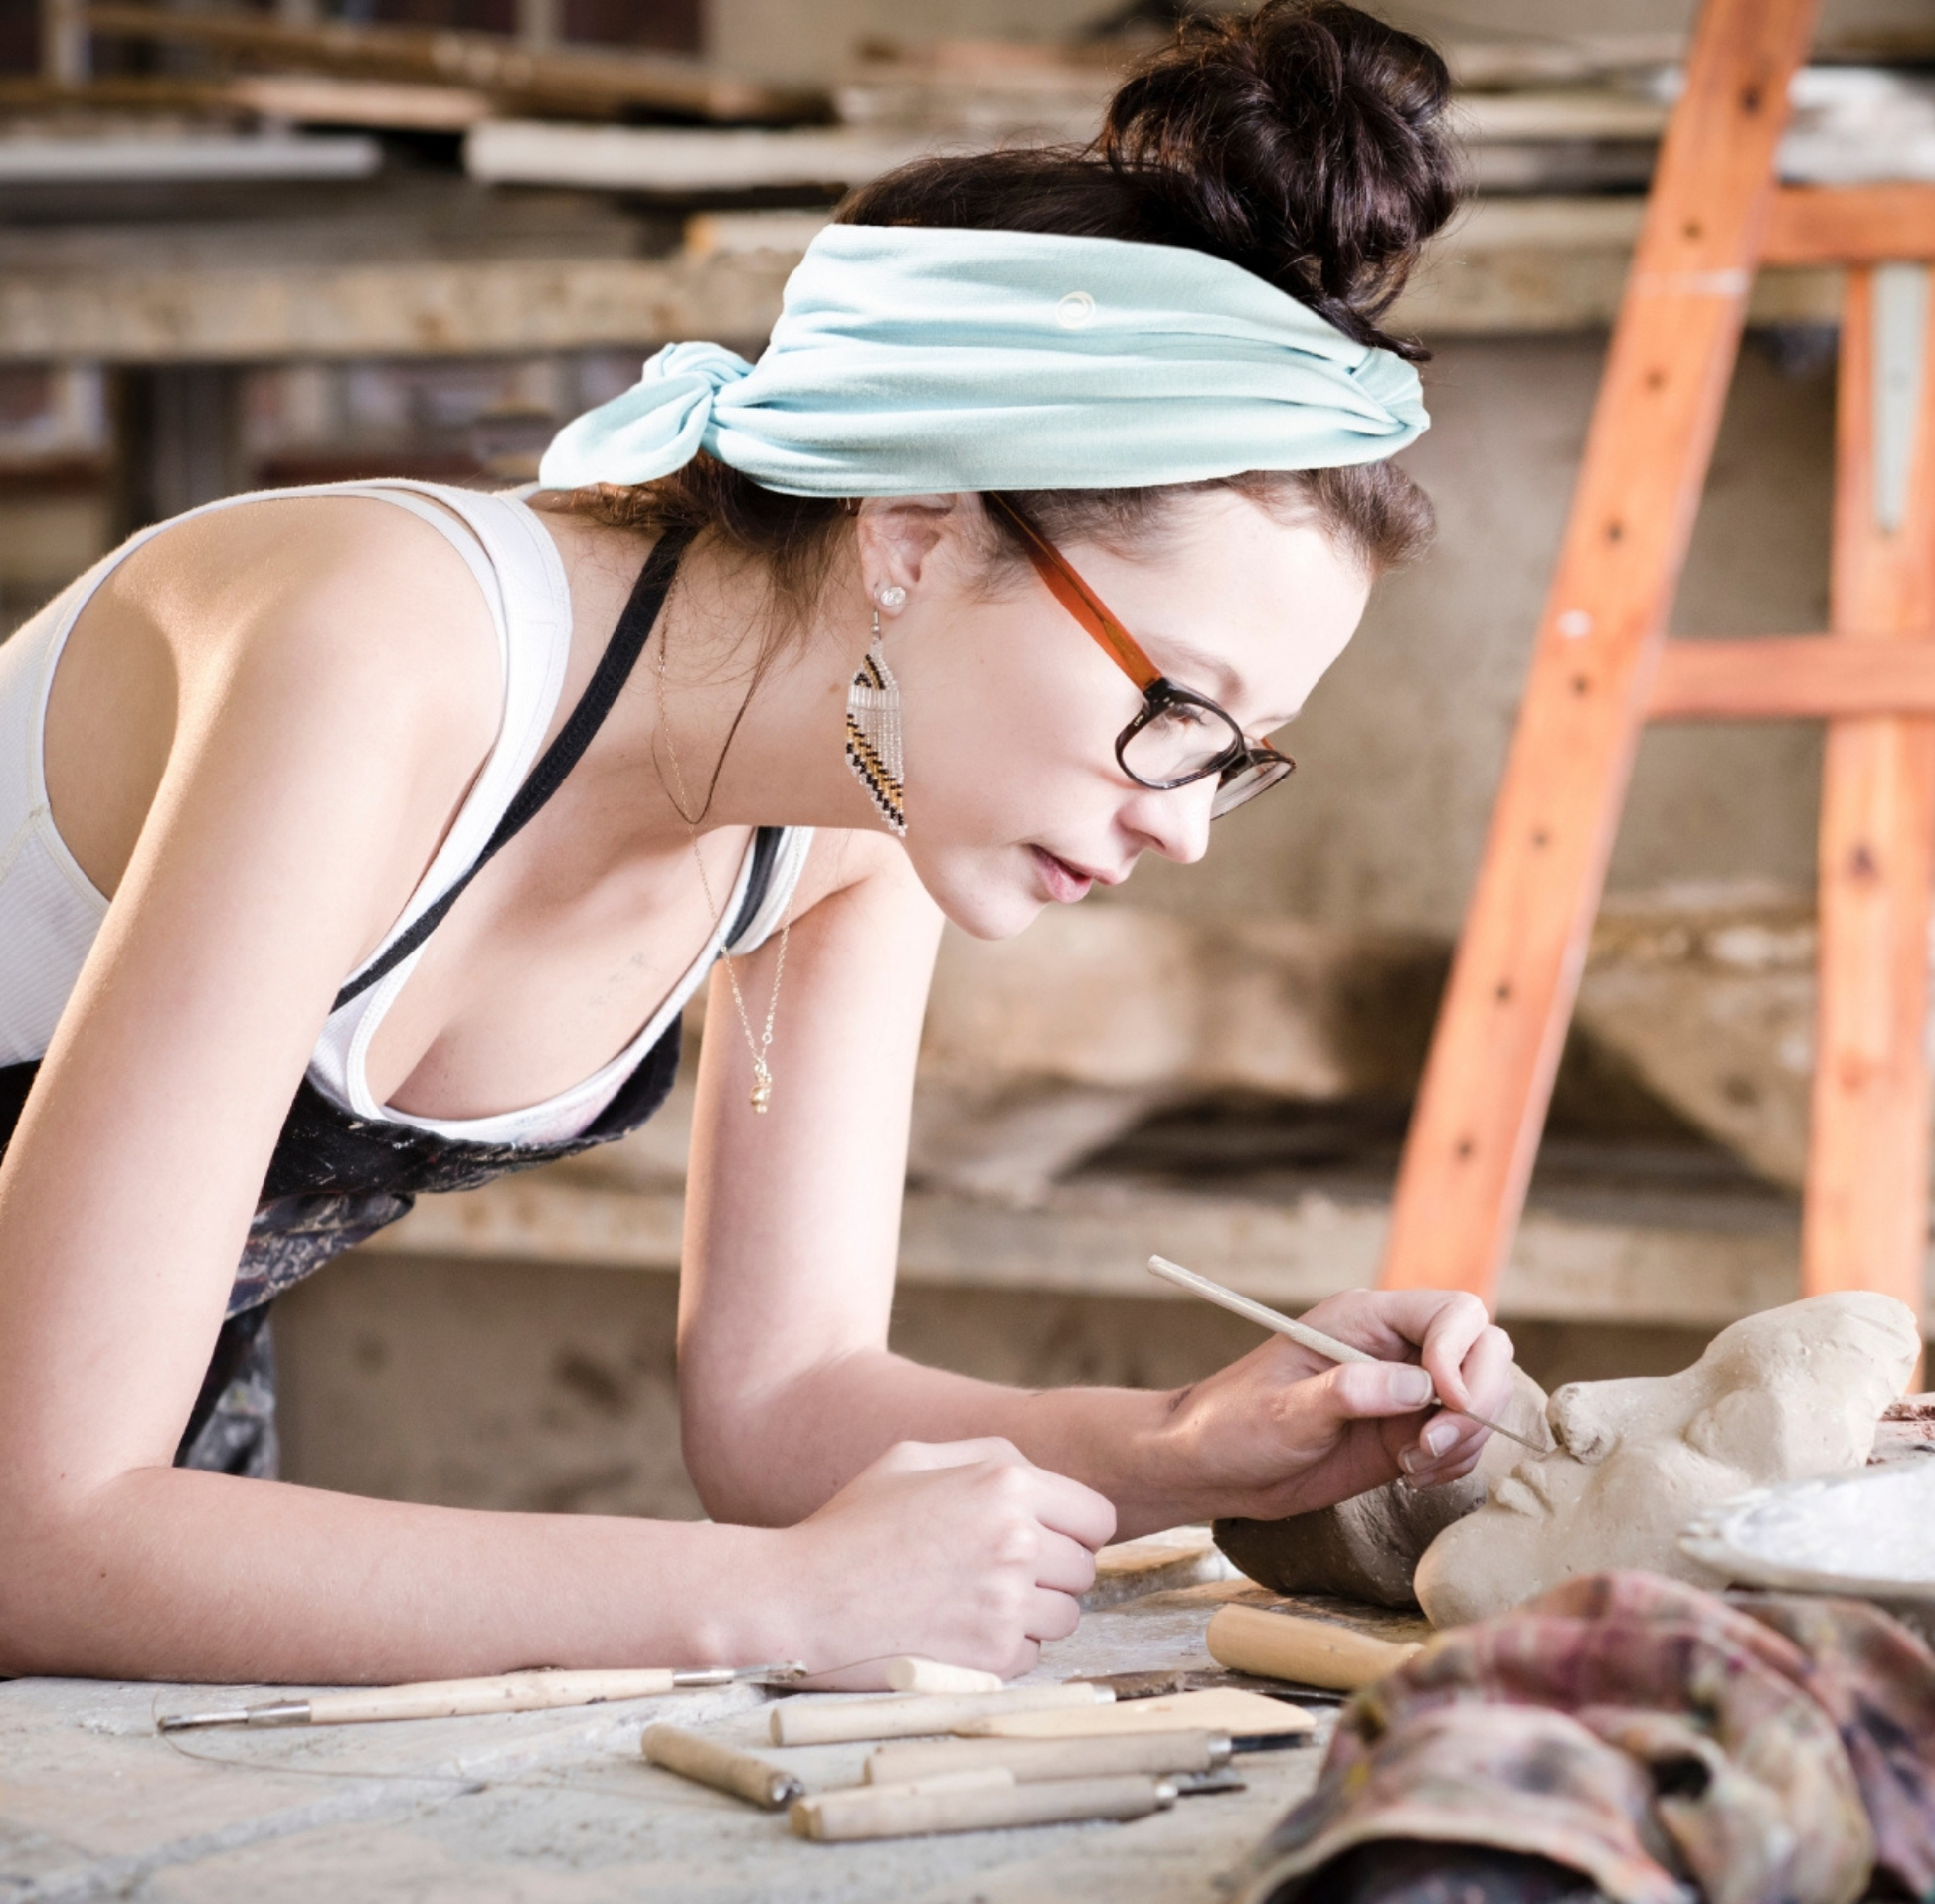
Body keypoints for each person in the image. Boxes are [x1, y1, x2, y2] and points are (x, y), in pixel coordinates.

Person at [0, 0, 1514, 1688]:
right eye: (1174, 704)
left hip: (133, 1508)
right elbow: (43, 1530)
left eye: (1238, 758)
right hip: (69, 1514)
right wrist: (775, 1602)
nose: (1181, 826)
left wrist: (1186, 1437)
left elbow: (781, 1406)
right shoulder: (380, 656)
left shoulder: (864, 805)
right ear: (921, 533)